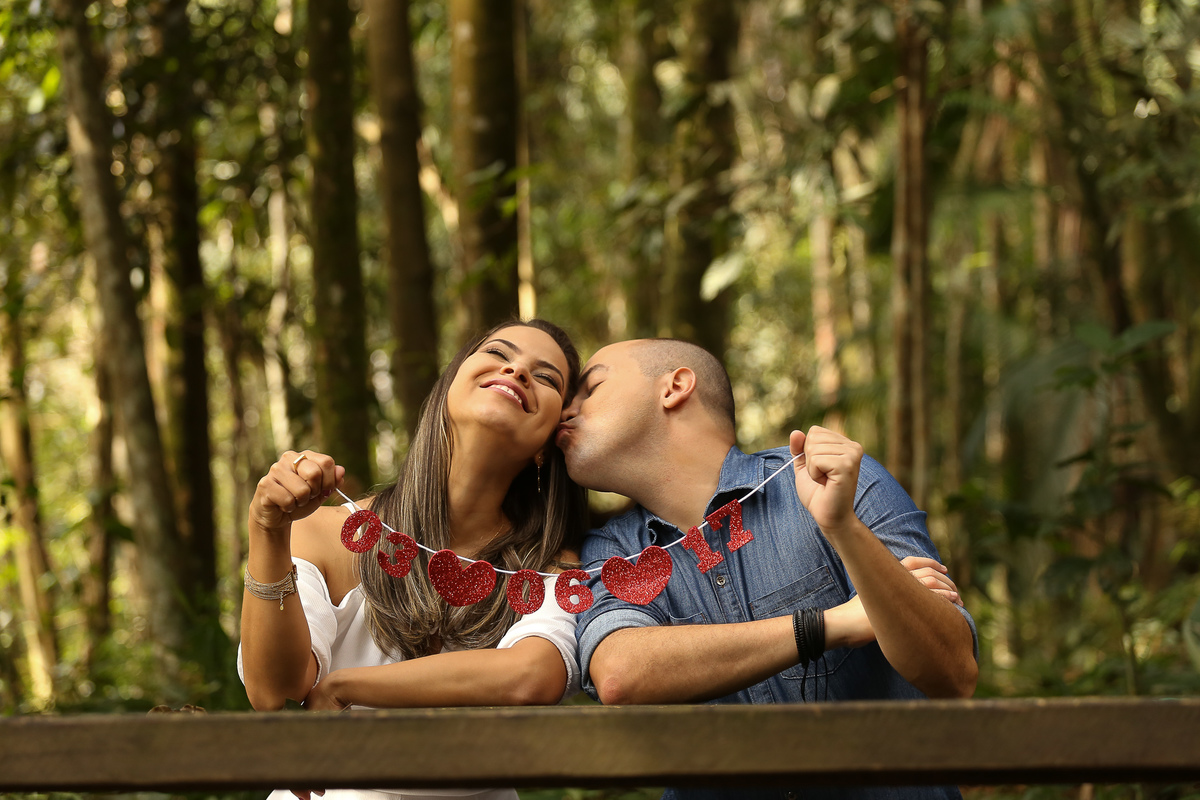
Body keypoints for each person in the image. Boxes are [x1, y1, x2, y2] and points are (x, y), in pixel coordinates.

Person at [557, 338, 978, 800]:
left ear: (674, 387)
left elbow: (952, 673)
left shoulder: (830, 479)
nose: (564, 410)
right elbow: (621, 673)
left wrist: (842, 528)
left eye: (590, 389)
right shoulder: (610, 552)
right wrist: (833, 623)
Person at [238, 319, 588, 800]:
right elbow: (274, 692)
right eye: (498, 353)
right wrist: (267, 530)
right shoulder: (327, 532)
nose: (517, 370)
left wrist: (347, 687)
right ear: (448, 388)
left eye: (546, 377)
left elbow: (533, 674)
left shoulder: (555, 568)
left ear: (549, 444)